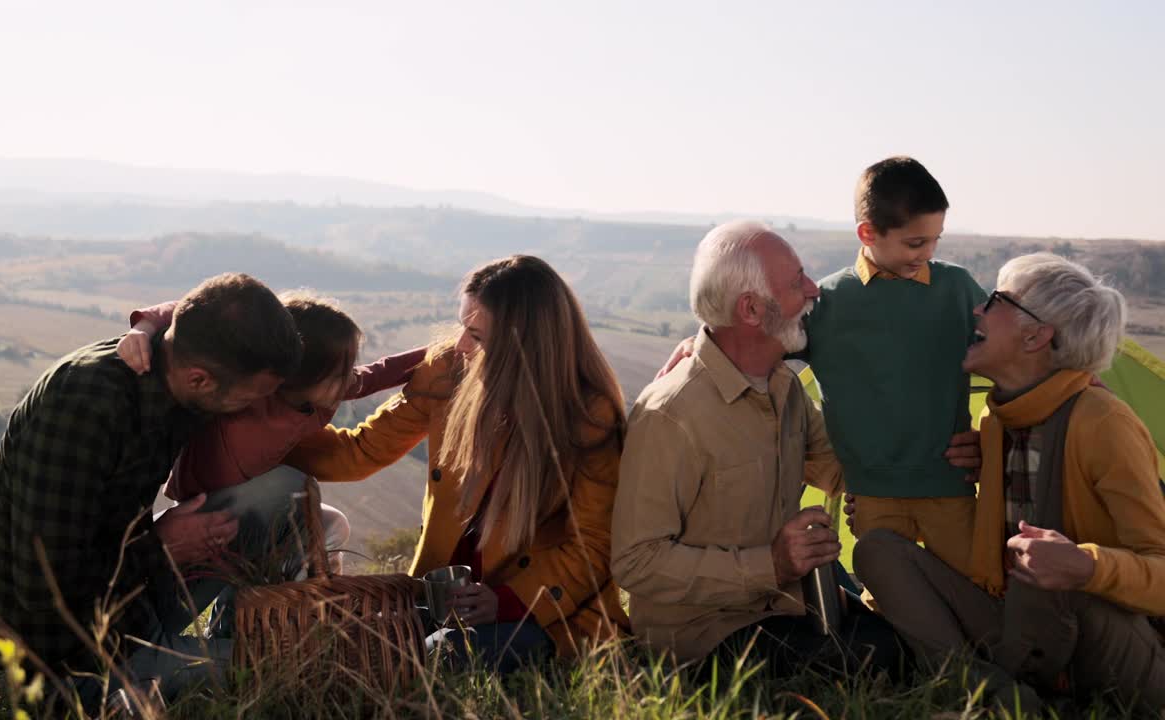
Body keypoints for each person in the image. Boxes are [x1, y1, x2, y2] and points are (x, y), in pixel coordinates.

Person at [0, 273, 303, 712]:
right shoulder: (84, 405)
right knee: (298, 659)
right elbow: (46, 587)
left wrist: (144, 324)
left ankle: (220, 642)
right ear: (201, 380)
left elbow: (181, 310)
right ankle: (181, 666)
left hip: (133, 597)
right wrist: (161, 546)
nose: (255, 409)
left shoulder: (177, 369)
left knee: (288, 490)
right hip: (61, 655)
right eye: (249, 398)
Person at [283, 255, 629, 673]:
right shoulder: (448, 372)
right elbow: (359, 453)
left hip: (548, 614)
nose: (461, 345)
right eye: (463, 327)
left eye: (477, 335)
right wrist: (268, 431)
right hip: (439, 598)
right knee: (361, 643)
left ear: (526, 343)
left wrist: (505, 601)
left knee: (435, 656)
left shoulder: (589, 416)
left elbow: (593, 545)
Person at [854, 253, 1165, 713]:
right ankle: (998, 695)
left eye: (997, 299)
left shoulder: (1103, 424)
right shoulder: (996, 424)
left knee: (1041, 572)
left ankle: (993, 693)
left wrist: (1086, 565)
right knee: (877, 550)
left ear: (1036, 335)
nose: (977, 310)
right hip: (1021, 621)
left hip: (1115, 648)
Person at [656, 157, 986, 579]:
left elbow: (1010, 347)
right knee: (889, 595)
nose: (927, 254)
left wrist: (994, 439)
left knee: (974, 588)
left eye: (935, 240)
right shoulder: (826, 302)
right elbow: (756, 344)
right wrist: (696, 343)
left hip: (950, 488)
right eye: (915, 243)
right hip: (870, 496)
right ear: (868, 233)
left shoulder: (956, 288)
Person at [612, 221, 905, 679]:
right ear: (751, 309)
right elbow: (637, 562)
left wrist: (946, 452)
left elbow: (842, 467)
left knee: (903, 645)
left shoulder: (784, 385)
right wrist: (770, 563)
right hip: (703, 633)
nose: (813, 290)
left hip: (784, 603)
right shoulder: (670, 415)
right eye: (795, 283)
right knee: (872, 661)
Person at [115, 293, 427, 567]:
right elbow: (194, 311)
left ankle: (305, 602)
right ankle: (233, 616)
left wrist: (441, 354)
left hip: (259, 512)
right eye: (340, 372)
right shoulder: (246, 394)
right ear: (306, 373)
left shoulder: (322, 396)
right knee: (292, 487)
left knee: (333, 524)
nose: (351, 379)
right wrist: (143, 328)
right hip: (200, 512)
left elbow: (380, 372)